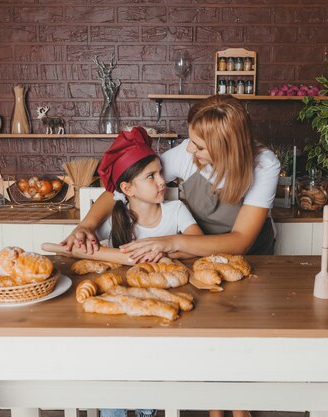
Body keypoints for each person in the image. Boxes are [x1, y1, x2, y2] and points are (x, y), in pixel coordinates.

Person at [63, 95, 281, 262]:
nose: (189, 148)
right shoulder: (186, 154)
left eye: (200, 146)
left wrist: (172, 242)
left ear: (226, 149)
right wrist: (87, 225)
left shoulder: (264, 165)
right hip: (197, 252)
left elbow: (240, 241)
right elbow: (125, 186)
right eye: (191, 140)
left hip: (253, 256)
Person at [95, 127, 203, 417]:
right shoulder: (115, 218)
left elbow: (199, 244)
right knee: (118, 363)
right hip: (125, 308)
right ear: (127, 189)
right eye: (151, 177)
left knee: (155, 362)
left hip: (168, 307)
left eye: (160, 173)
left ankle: (148, 409)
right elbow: (83, 248)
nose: (161, 181)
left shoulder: (176, 210)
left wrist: (164, 251)